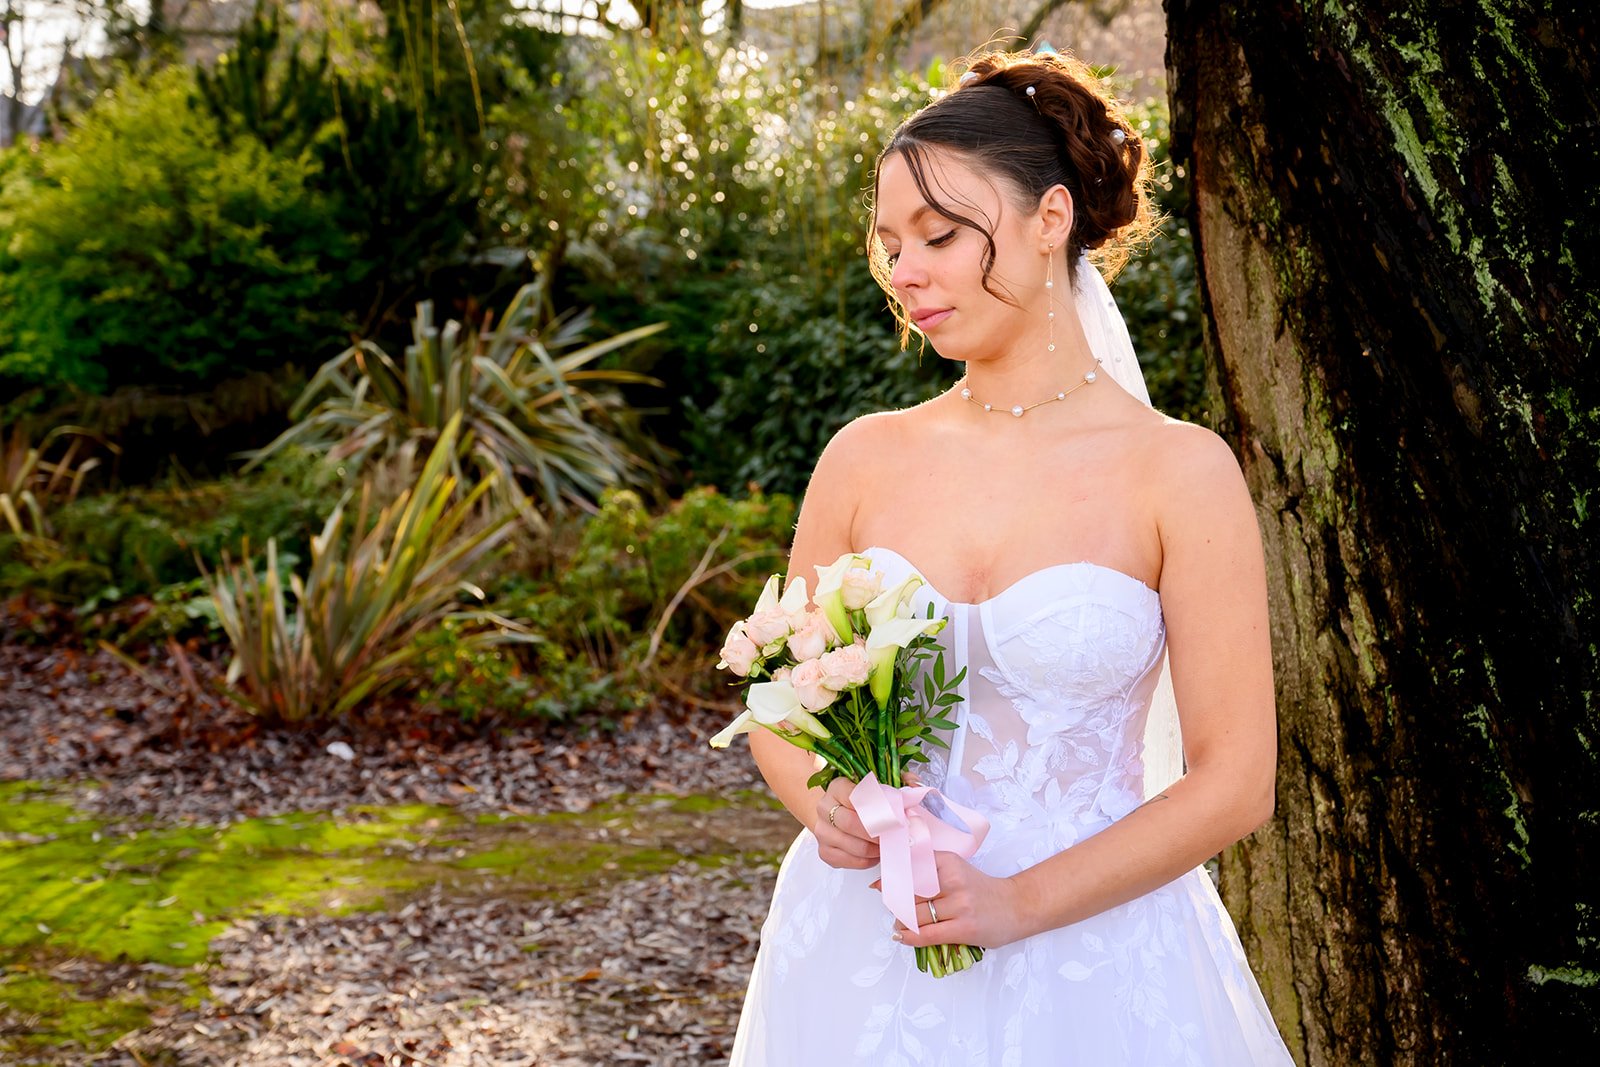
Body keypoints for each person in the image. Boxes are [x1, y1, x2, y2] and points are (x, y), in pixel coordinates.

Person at [726, 48, 1294, 1065]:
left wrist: (1016, 902)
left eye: (939, 235)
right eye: (889, 243)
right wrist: (820, 794)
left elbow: (1237, 779)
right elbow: (777, 693)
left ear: (1049, 219)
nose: (904, 271)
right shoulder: (863, 458)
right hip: (864, 947)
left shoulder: (1179, 473)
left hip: (1099, 957)